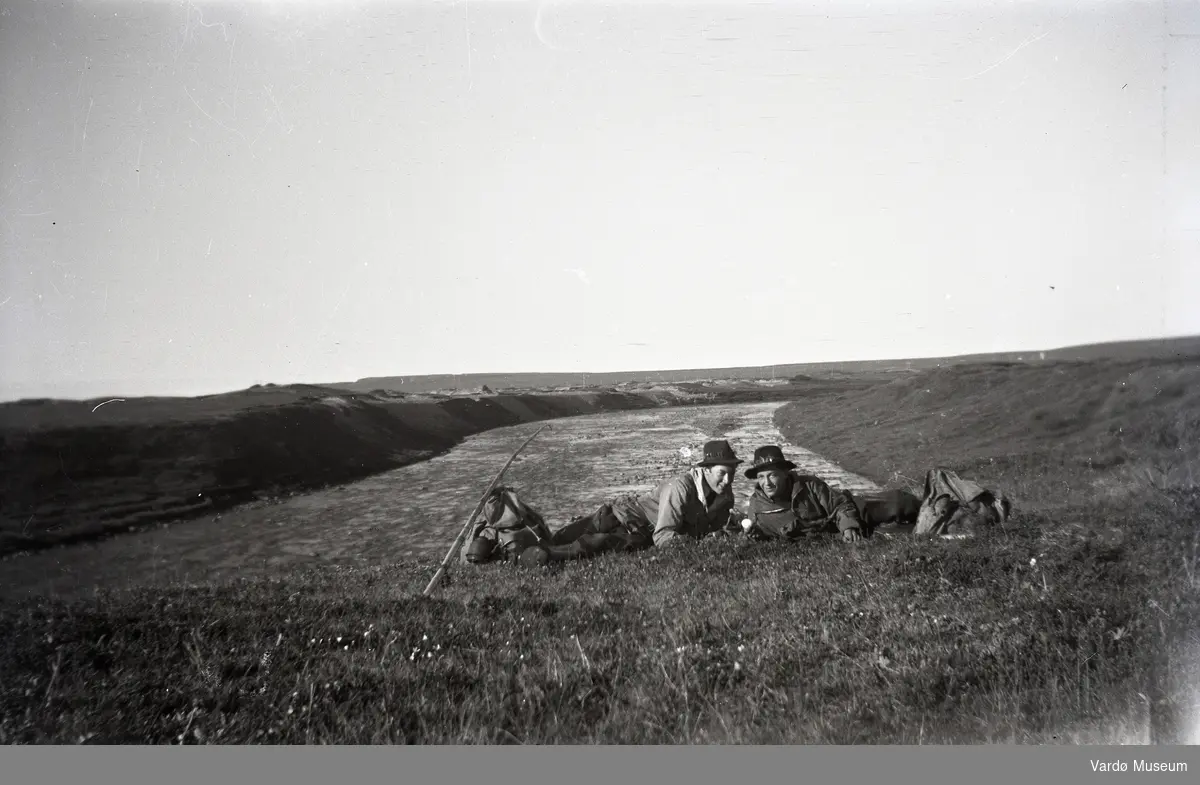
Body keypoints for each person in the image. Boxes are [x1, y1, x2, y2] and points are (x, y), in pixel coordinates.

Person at [737, 445, 867, 543]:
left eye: (773, 475)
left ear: (785, 473)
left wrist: (848, 527)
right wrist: (753, 535)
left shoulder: (810, 486)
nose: (767, 483)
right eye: (761, 477)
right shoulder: (756, 505)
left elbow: (840, 504)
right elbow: (762, 534)